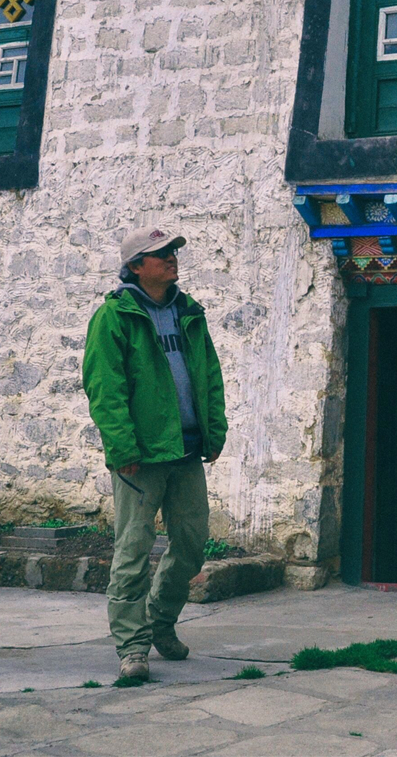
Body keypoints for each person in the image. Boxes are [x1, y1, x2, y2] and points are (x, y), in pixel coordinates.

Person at [81, 225, 228, 682]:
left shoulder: (189, 312)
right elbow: (105, 388)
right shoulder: (114, 317)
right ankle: (133, 647)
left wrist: (214, 431)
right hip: (140, 458)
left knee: (191, 544)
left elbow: (209, 375)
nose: (171, 259)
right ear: (136, 266)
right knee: (132, 550)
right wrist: (121, 446)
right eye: (160, 254)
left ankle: (161, 623)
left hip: (185, 450)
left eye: (172, 252)